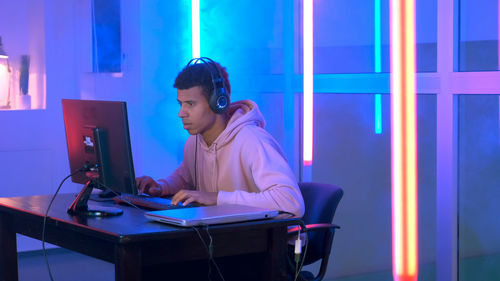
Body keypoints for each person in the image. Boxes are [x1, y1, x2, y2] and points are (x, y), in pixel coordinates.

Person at [136, 57, 304, 218]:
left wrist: (217, 198)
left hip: (269, 243)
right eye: (181, 104)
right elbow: (185, 178)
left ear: (219, 101)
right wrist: (160, 187)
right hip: (226, 239)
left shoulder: (253, 140)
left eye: (191, 104)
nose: (181, 113)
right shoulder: (194, 142)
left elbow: (291, 202)